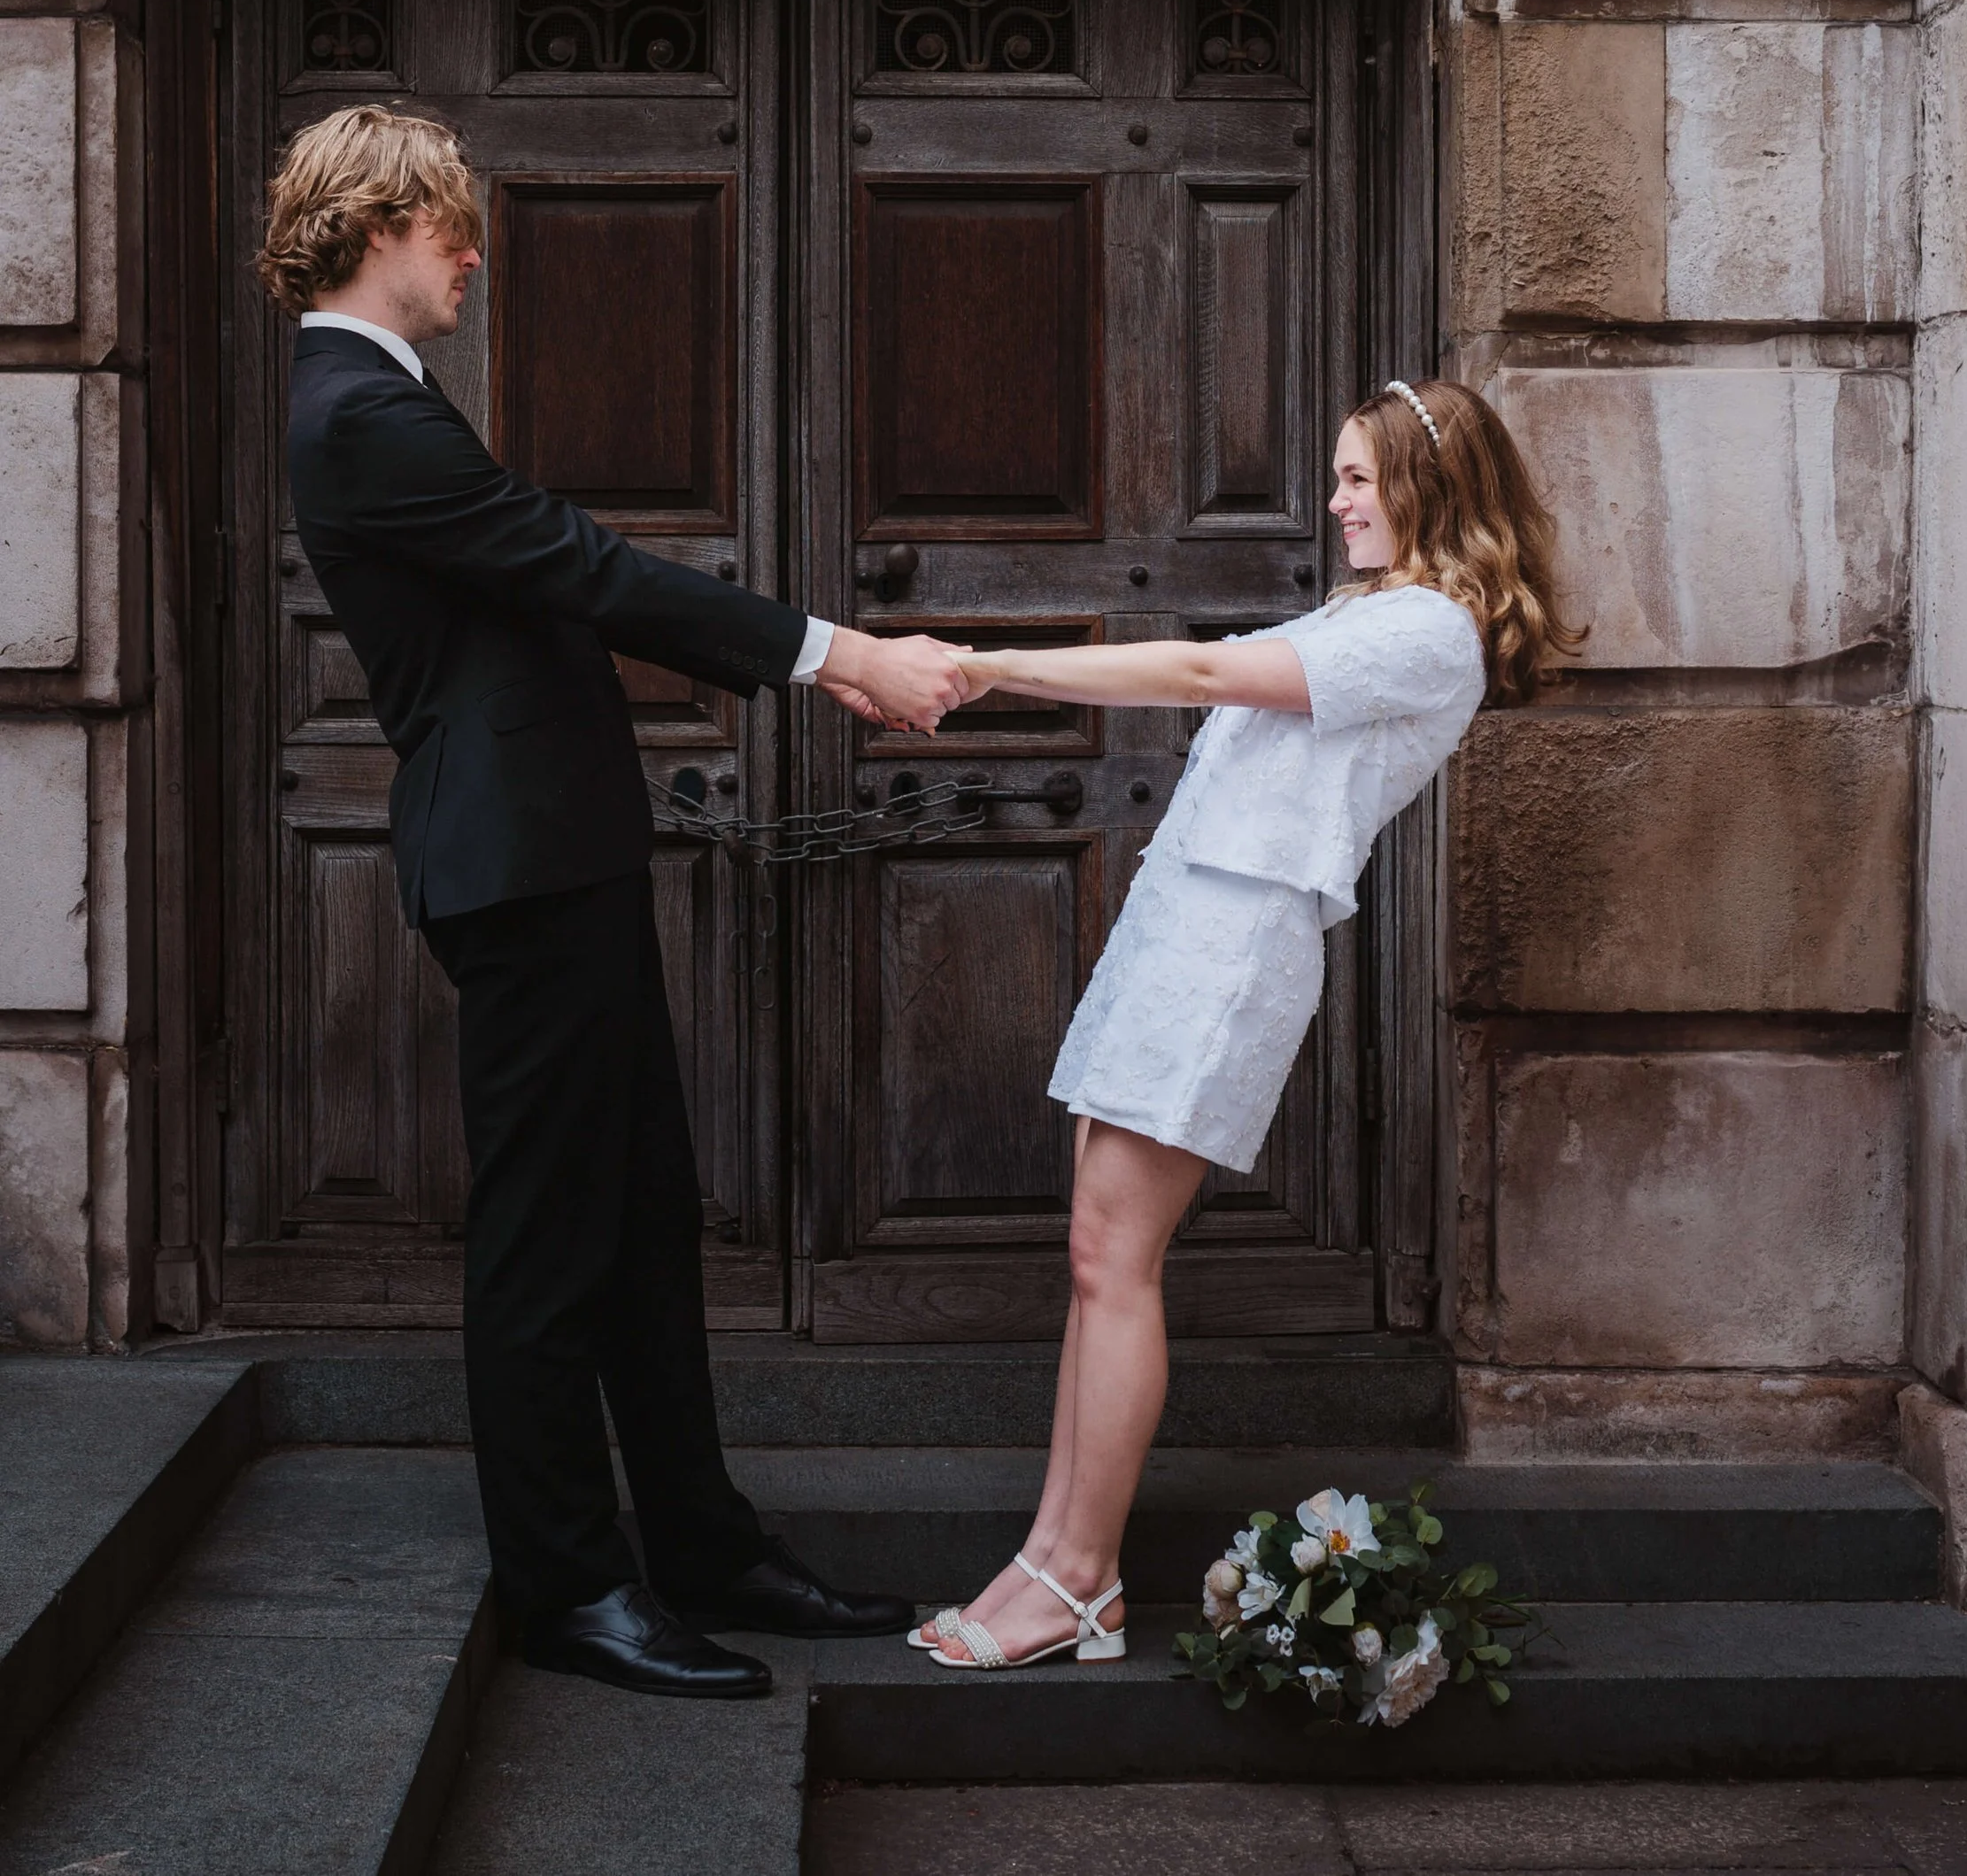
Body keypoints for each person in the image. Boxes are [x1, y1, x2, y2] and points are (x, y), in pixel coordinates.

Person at [260, 104, 966, 1701]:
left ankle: (704, 1545)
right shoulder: (355, 408)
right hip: (516, 873)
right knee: (546, 1242)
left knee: (641, 1221)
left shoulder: (384, 396)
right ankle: (570, 1585)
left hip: (555, 856)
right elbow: (573, 565)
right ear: (382, 227)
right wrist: (834, 653)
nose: (472, 254)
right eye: (453, 226)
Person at [918, 377, 1574, 1673]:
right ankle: (1048, 1560)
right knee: (1097, 1250)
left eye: (1354, 479)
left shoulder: (1428, 633)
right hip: (1186, 928)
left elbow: (1204, 668)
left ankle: (1082, 1577)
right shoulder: (1371, 612)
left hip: (1232, 950)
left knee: (1119, 1259)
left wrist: (991, 665)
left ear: (1427, 489)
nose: (1333, 503)